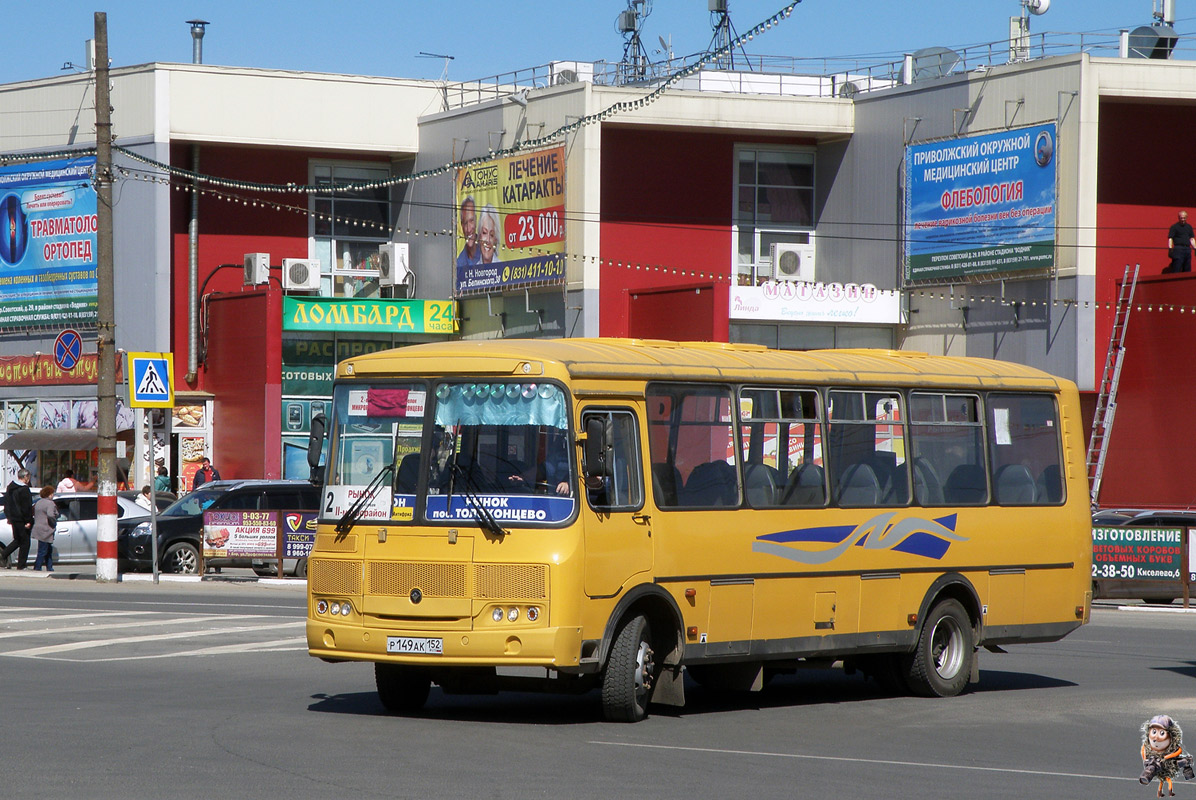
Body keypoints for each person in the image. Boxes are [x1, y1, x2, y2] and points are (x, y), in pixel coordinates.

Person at [2, 469, 34, 569]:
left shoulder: (10, 487)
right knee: (25, 542)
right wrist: (28, 520)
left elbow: (7, 504)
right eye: (28, 477)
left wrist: (9, 517)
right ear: (25, 477)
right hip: (22, 520)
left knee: (18, 540)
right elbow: (26, 507)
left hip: (14, 519)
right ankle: (21, 565)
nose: (28, 480)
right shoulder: (24, 489)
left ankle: (3, 554)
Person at [30, 486, 58, 572]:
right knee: (43, 550)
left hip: (38, 528)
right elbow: (50, 515)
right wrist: (54, 522)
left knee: (48, 549)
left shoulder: (38, 502)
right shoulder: (50, 503)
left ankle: (49, 567)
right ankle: (37, 567)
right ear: (49, 494)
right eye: (52, 493)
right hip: (46, 529)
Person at [456, 195, 481, 268]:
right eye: (465, 223)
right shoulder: (459, 263)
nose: (468, 229)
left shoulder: (486, 252)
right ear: (461, 225)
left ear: (476, 220)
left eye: (471, 221)